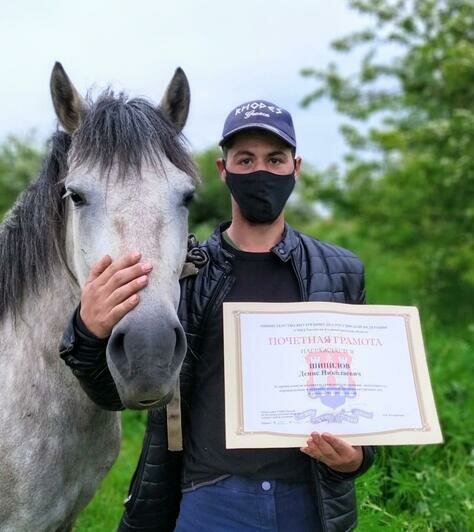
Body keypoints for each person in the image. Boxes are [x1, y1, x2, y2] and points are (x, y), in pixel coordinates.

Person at [60, 100, 375, 531]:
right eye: (245, 159)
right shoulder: (185, 274)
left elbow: (365, 397)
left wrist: (357, 457)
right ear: (223, 169)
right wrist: (88, 332)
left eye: (275, 159)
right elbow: (117, 395)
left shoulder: (339, 272)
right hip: (211, 498)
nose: (260, 171)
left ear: (295, 167)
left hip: (310, 499)